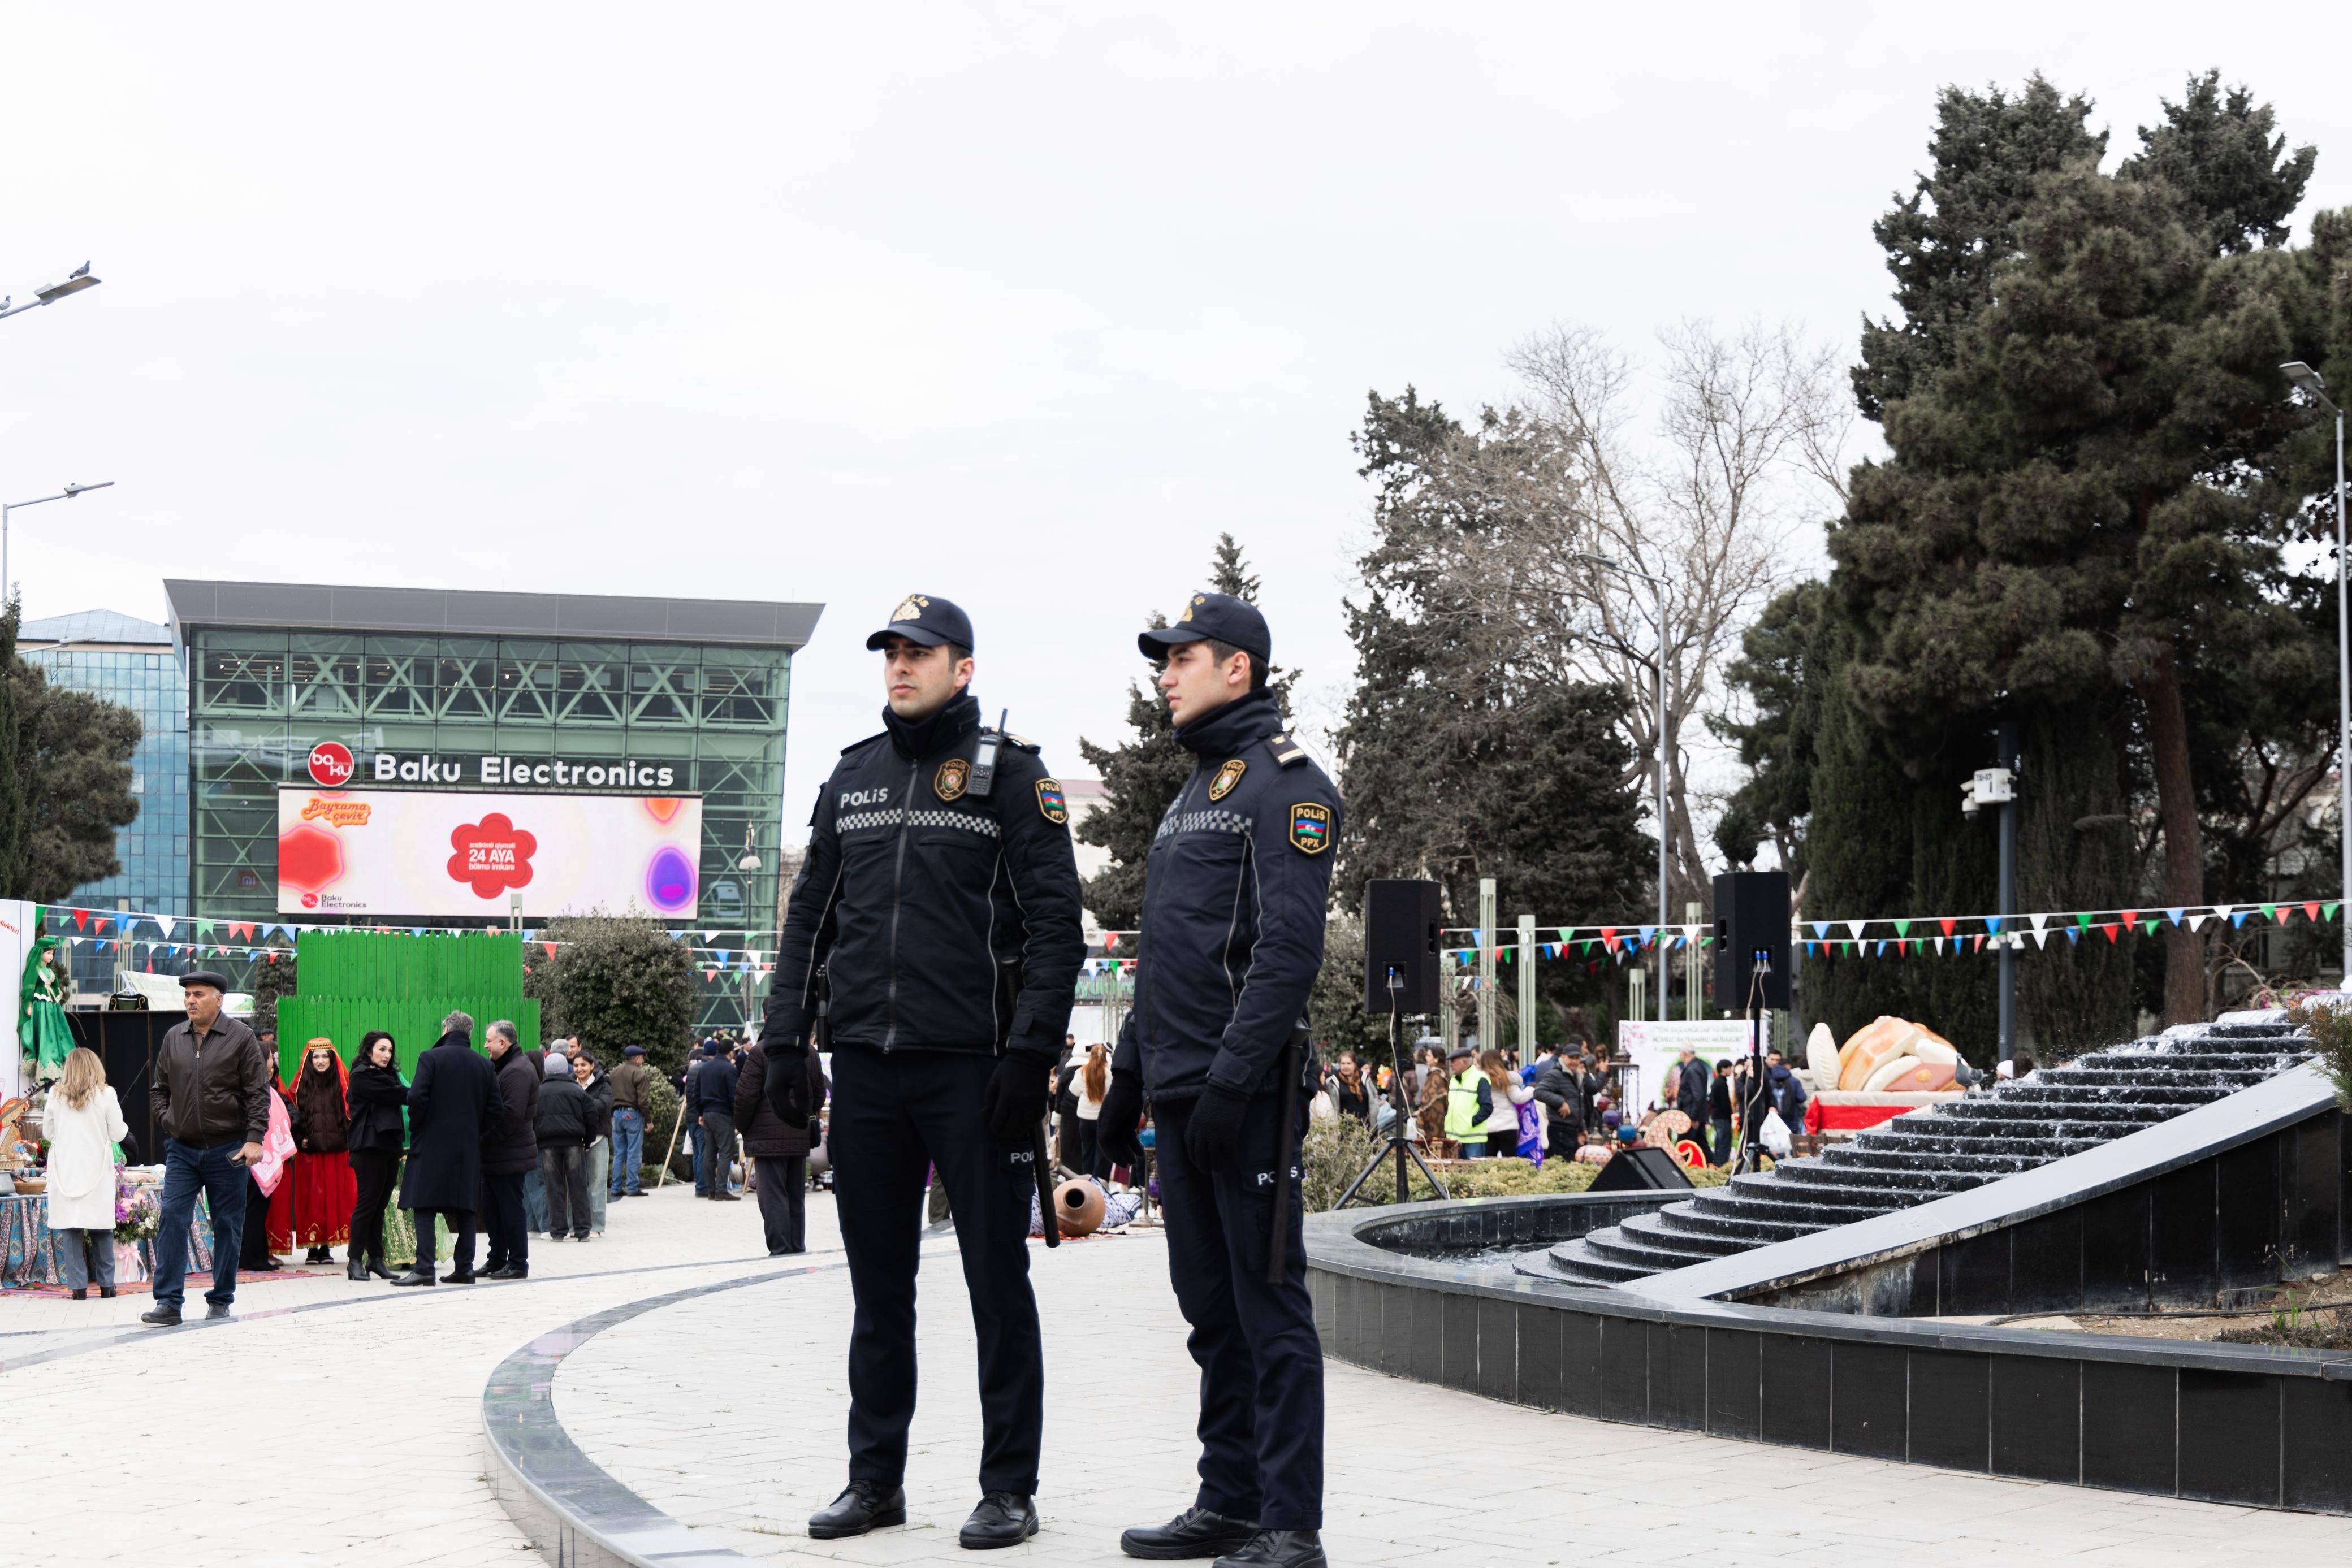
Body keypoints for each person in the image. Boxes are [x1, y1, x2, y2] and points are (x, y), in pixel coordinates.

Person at [765, 592, 1083, 1550]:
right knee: (878, 1286)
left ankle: (1009, 1486)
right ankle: (875, 1479)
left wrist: (1031, 1053)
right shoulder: (854, 775)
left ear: (964, 667)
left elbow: (1058, 927)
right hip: (867, 1067)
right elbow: (809, 915)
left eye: (921, 652)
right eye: (892, 652)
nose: (901, 666)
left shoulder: (1012, 778)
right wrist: (785, 1036)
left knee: (996, 1276)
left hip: (974, 1072)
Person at [1097, 590, 1339, 1568]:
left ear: (1236, 666)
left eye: (1180, 657)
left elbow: (1288, 951)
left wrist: (1234, 1081)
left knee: (1270, 1307)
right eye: (1165, 659)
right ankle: (1229, 1499)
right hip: (1183, 1090)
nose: (1164, 672)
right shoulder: (1193, 791)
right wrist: (1127, 1081)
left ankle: (1292, 1524)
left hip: (1246, 1092)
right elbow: (1166, 956)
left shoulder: (1291, 786)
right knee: (1211, 1308)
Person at [142, 972, 270, 1325]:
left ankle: (221, 1299)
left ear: (219, 999)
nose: (190, 1001)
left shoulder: (241, 1038)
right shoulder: (174, 1037)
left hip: (228, 1149)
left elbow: (258, 1095)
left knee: (228, 1225)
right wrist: (170, 1121)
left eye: (198, 994)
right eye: (187, 995)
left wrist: (255, 1139)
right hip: (182, 1149)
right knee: (171, 1218)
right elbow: (159, 1089)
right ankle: (168, 1303)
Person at [394, 1011, 498, 1286]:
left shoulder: (430, 1058)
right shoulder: (483, 1066)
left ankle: (425, 1268)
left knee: (425, 1207)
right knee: (465, 1209)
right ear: (469, 1034)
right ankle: (465, 1269)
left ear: (446, 1030)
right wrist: (475, 1133)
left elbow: (416, 1097)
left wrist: (419, 1127)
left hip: (430, 1144)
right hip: (467, 1149)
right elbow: (496, 1110)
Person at [42, 1046, 128, 1300]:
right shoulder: (107, 1094)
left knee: (70, 1229)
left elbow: (48, 1134)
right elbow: (118, 1133)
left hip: (66, 1170)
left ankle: (78, 1289)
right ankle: (107, 1286)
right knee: (102, 1228)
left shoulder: (55, 1096)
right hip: (97, 1171)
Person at [735, 1032, 828, 1255]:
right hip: (798, 1133)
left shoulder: (760, 1051)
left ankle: (780, 1249)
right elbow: (819, 1093)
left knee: (773, 1194)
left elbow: (745, 1097)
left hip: (766, 1137)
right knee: (796, 1194)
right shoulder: (809, 1050)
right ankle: (796, 1246)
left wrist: (743, 1126)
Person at [287, 1039, 358, 1264]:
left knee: (334, 1199)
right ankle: (311, 1249)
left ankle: (326, 1247)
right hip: (310, 1153)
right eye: (315, 1057)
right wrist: (299, 1140)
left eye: (324, 1057)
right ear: (309, 1061)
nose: (320, 1061)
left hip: (338, 1152)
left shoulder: (343, 1085)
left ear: (332, 1059)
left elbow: (352, 1115)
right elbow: (290, 1117)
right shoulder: (299, 1087)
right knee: (312, 1200)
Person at [479, 1019, 540, 1279]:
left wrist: (482, 1140)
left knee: (510, 1209)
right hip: (499, 1153)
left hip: (509, 1152)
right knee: (494, 1210)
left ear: (503, 1043)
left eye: (489, 1041)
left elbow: (509, 1117)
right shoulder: (506, 1067)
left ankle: (517, 1263)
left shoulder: (516, 1071)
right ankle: (497, 1259)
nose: (485, 1046)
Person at [344, 1030, 405, 1280]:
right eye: (382, 1049)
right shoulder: (363, 1077)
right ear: (369, 1050)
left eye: (390, 1050)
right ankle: (354, 1261)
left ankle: (376, 1260)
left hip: (388, 1146)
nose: (387, 1055)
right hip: (368, 1147)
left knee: (379, 1206)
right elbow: (400, 1094)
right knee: (367, 1205)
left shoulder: (387, 1076)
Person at [535, 1053, 595, 1242]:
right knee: (578, 1185)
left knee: (553, 1186)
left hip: (547, 1144)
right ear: (565, 1068)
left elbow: (531, 1118)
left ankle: (558, 1232)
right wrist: (588, 1140)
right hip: (574, 1141)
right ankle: (583, 1230)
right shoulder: (577, 1090)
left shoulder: (539, 1091)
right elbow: (591, 1116)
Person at [694, 1039, 741, 1201]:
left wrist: (701, 1113)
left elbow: (697, 1093)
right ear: (731, 1052)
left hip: (707, 1114)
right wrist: (738, 1116)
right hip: (723, 1115)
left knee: (709, 1153)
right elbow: (733, 1096)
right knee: (726, 1152)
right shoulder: (729, 1069)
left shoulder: (705, 1068)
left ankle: (711, 1191)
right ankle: (722, 1189)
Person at [608, 1045, 654, 1198]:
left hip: (616, 1114)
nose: (643, 1060)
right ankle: (633, 1186)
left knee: (619, 1153)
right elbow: (643, 1101)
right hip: (632, 1114)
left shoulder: (615, 1072)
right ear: (637, 1058)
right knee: (633, 1151)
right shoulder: (639, 1073)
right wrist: (648, 1121)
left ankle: (616, 1187)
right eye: (642, 1057)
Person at [574, 1053, 613, 1233]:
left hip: (598, 1139)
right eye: (576, 1065)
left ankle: (596, 1225)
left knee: (597, 1183)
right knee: (575, 1184)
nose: (579, 1069)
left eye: (583, 1065)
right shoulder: (570, 1084)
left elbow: (603, 1106)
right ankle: (575, 1224)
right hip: (575, 1140)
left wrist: (580, 1103)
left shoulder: (603, 1084)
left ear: (592, 1066)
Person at [1074, 1041, 1110, 1180]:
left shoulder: (1082, 1071)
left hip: (1085, 1118)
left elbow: (1074, 1091)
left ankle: (1086, 1183)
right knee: (1102, 1154)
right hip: (1102, 1119)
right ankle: (1101, 1184)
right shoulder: (1109, 1073)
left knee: (1087, 1152)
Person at [1709, 1058, 1735, 1167]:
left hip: (1717, 1116)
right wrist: (1730, 1115)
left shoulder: (1717, 1082)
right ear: (1723, 1069)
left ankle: (1718, 1162)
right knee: (1724, 1141)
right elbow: (1724, 1103)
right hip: (1722, 1117)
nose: (1731, 1070)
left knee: (1719, 1141)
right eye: (1729, 1068)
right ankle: (1723, 1164)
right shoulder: (1722, 1084)